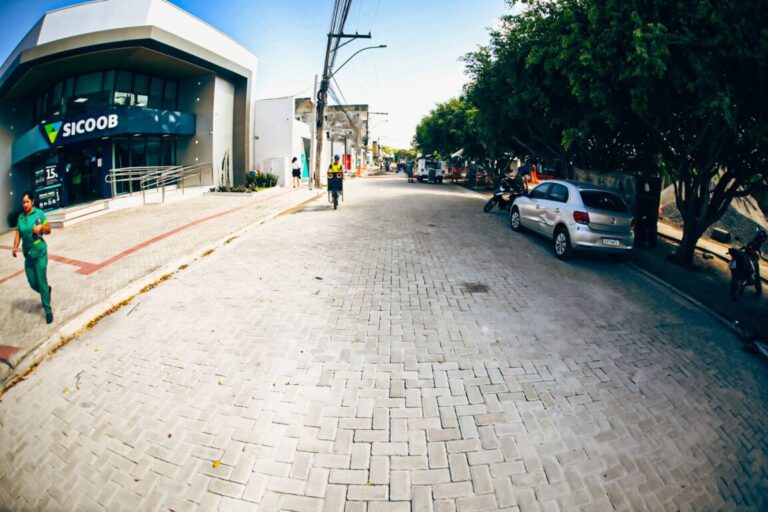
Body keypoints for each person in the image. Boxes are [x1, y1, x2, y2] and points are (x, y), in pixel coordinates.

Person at [12, 191, 53, 324]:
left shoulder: (39, 214)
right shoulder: (20, 218)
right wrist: (15, 246)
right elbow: (18, 233)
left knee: (41, 281)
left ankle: (48, 311)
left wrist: (41, 227)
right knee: (32, 282)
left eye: (27, 202)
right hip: (28, 255)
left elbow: (49, 229)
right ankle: (46, 290)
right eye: (23, 202)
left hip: (40, 252)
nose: (25, 204)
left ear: (32, 202)